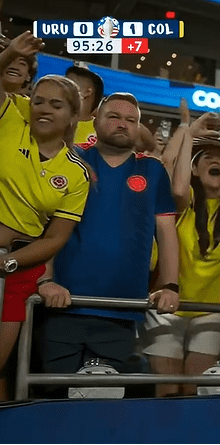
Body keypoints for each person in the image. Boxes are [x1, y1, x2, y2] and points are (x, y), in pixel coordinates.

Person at [35, 92, 180, 387]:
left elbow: (166, 231)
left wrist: (170, 285)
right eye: (113, 116)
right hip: (62, 304)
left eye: (131, 120)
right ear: (96, 121)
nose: (122, 124)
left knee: (104, 404)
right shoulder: (71, 159)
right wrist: (44, 280)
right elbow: (45, 225)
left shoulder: (153, 170)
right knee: (51, 399)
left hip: (121, 311)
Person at [143, 106, 220, 397]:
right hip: (167, 307)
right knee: (169, 391)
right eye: (206, 157)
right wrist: (189, 129)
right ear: (195, 169)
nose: (216, 160)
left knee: (194, 391)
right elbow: (179, 185)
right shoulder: (182, 206)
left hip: (210, 313)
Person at [0, 32, 91, 401]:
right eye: (38, 101)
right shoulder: (10, 121)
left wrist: (8, 264)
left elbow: (55, 238)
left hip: (17, 271)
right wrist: (9, 55)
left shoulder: (77, 172)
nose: (44, 109)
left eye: (56, 104)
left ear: (73, 115)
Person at [64, 62, 103, 147]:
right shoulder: (53, 123)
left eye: (69, 84)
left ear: (87, 92)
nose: (62, 88)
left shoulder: (103, 131)